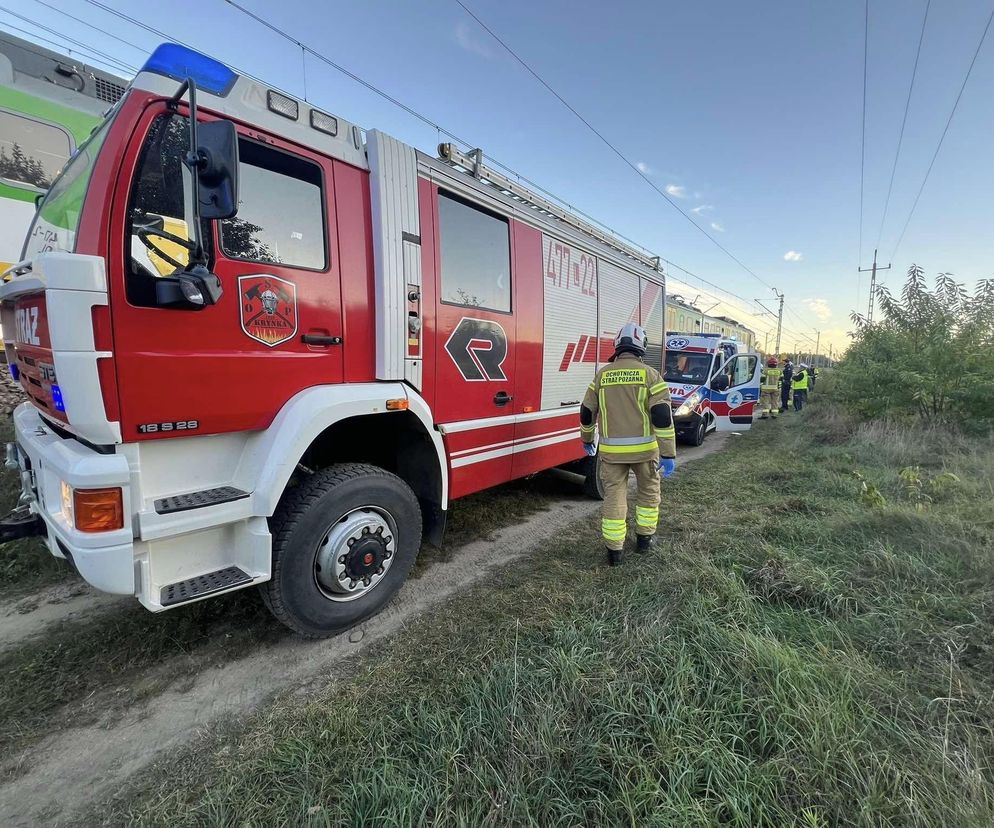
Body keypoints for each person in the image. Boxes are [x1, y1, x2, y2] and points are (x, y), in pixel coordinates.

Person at [580, 323, 677, 566]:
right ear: (641, 347)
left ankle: (615, 552)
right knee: (648, 493)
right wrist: (668, 454)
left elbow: (586, 412)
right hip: (645, 452)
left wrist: (587, 440)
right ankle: (644, 541)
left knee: (614, 497)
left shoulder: (602, 375)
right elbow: (662, 417)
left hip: (612, 453)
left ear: (618, 346)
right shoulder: (650, 375)